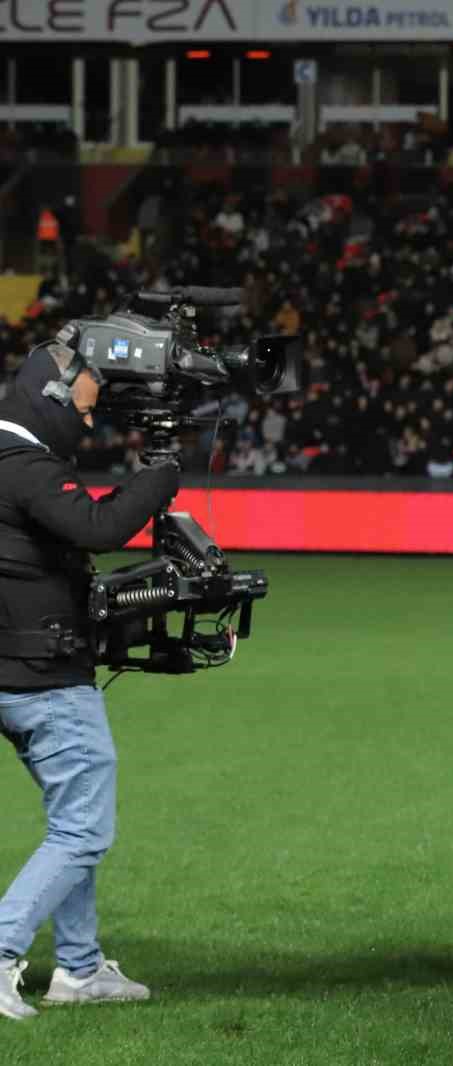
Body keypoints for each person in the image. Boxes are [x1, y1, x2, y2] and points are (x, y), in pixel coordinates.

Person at [0, 338, 177, 1020]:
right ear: (49, 396)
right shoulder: (23, 464)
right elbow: (98, 525)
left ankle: (77, 968)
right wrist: (160, 474)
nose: (87, 424)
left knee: (68, 822)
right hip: (46, 677)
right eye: (83, 410)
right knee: (83, 831)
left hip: (18, 668)